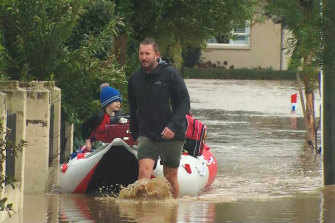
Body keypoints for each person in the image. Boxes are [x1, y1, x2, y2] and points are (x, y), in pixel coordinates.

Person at [127, 37, 190, 198]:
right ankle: (142, 214)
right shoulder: (134, 79)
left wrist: (173, 126)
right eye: (141, 53)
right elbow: (133, 109)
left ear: (157, 54)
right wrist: (135, 134)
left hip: (172, 134)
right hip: (147, 135)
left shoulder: (170, 74)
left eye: (147, 53)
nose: (144, 57)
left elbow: (184, 102)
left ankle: (172, 212)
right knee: (143, 175)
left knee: (170, 178)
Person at [82, 83, 123, 151]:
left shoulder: (120, 117)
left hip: (114, 148)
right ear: (108, 102)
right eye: (116, 101)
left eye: (119, 101)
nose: (119, 103)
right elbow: (84, 126)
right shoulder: (99, 116)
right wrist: (88, 141)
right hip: (97, 148)